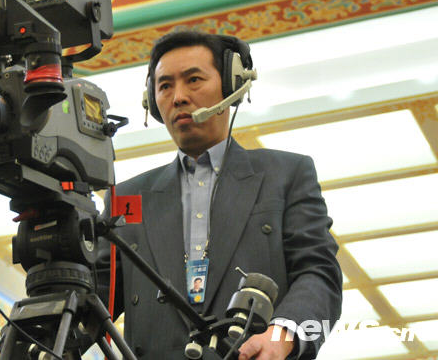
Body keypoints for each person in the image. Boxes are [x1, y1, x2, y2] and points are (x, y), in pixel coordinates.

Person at [99, 31, 342, 359]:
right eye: (165, 85)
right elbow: (92, 299)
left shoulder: (287, 175)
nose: (179, 97)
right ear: (151, 101)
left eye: (194, 79)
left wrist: (284, 335)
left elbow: (322, 275)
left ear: (231, 85)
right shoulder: (127, 199)